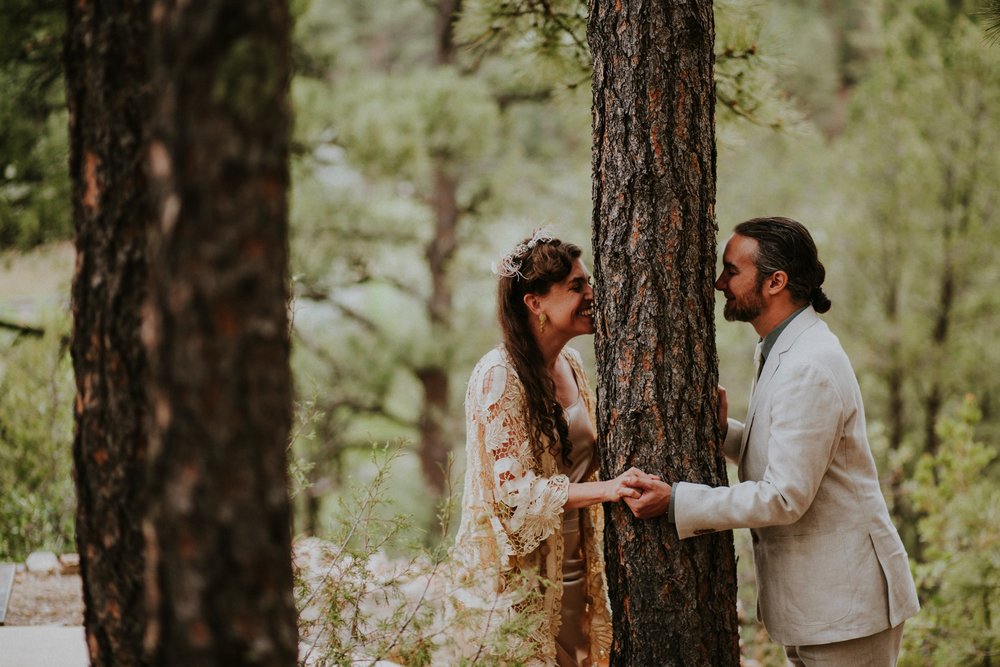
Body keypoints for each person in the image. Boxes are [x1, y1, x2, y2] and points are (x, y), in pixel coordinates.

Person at [624, 217, 920, 666]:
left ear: (776, 282)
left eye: (732, 270)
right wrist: (726, 434)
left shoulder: (808, 365)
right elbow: (794, 454)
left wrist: (677, 501)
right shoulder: (781, 347)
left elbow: (785, 495)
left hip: (846, 610)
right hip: (816, 607)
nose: (719, 282)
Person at [450, 230, 646, 666]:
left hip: (578, 565)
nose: (593, 294)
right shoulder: (500, 376)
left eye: (588, 282)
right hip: (523, 580)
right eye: (577, 286)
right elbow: (515, 496)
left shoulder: (571, 365)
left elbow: (581, 457)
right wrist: (610, 489)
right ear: (534, 302)